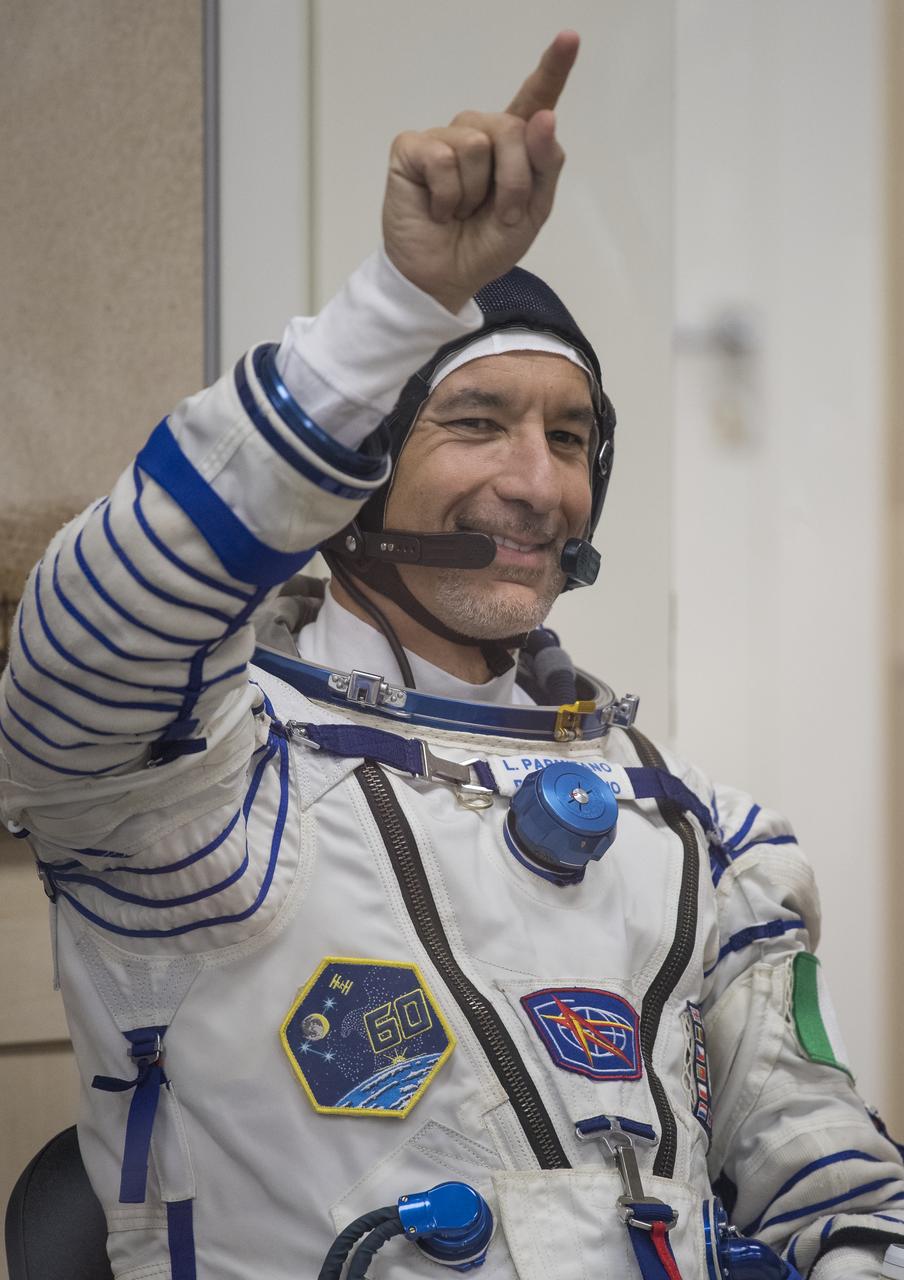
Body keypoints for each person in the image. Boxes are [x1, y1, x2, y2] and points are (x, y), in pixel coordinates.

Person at [1, 30, 902, 1280]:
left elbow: (841, 1189)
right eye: (477, 422)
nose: (537, 483)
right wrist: (393, 310)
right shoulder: (201, 785)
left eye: (572, 436)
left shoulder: (709, 842)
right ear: (361, 469)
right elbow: (96, 623)